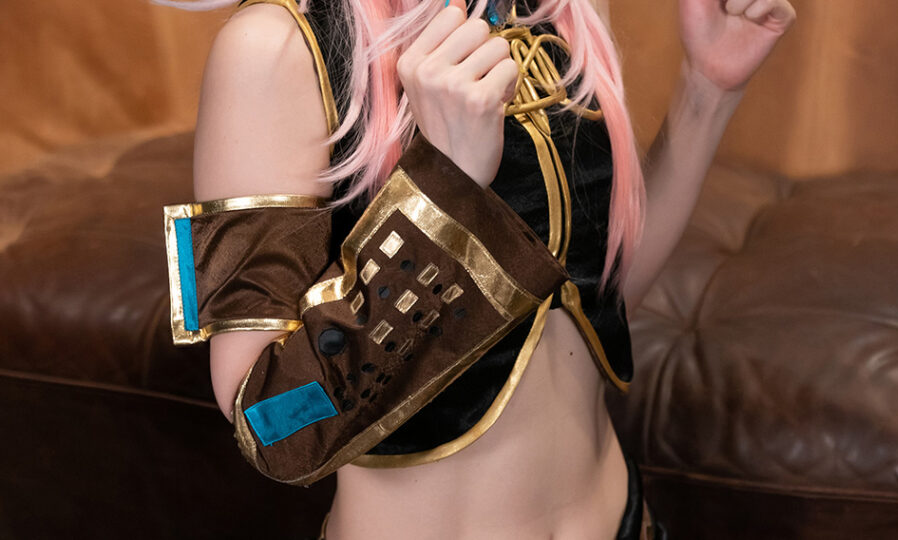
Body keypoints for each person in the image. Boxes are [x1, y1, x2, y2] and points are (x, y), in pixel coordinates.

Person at [160, 0, 794, 537]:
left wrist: (709, 92)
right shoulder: (275, 47)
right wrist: (446, 186)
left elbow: (595, 298)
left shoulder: (562, 12)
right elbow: (270, 423)